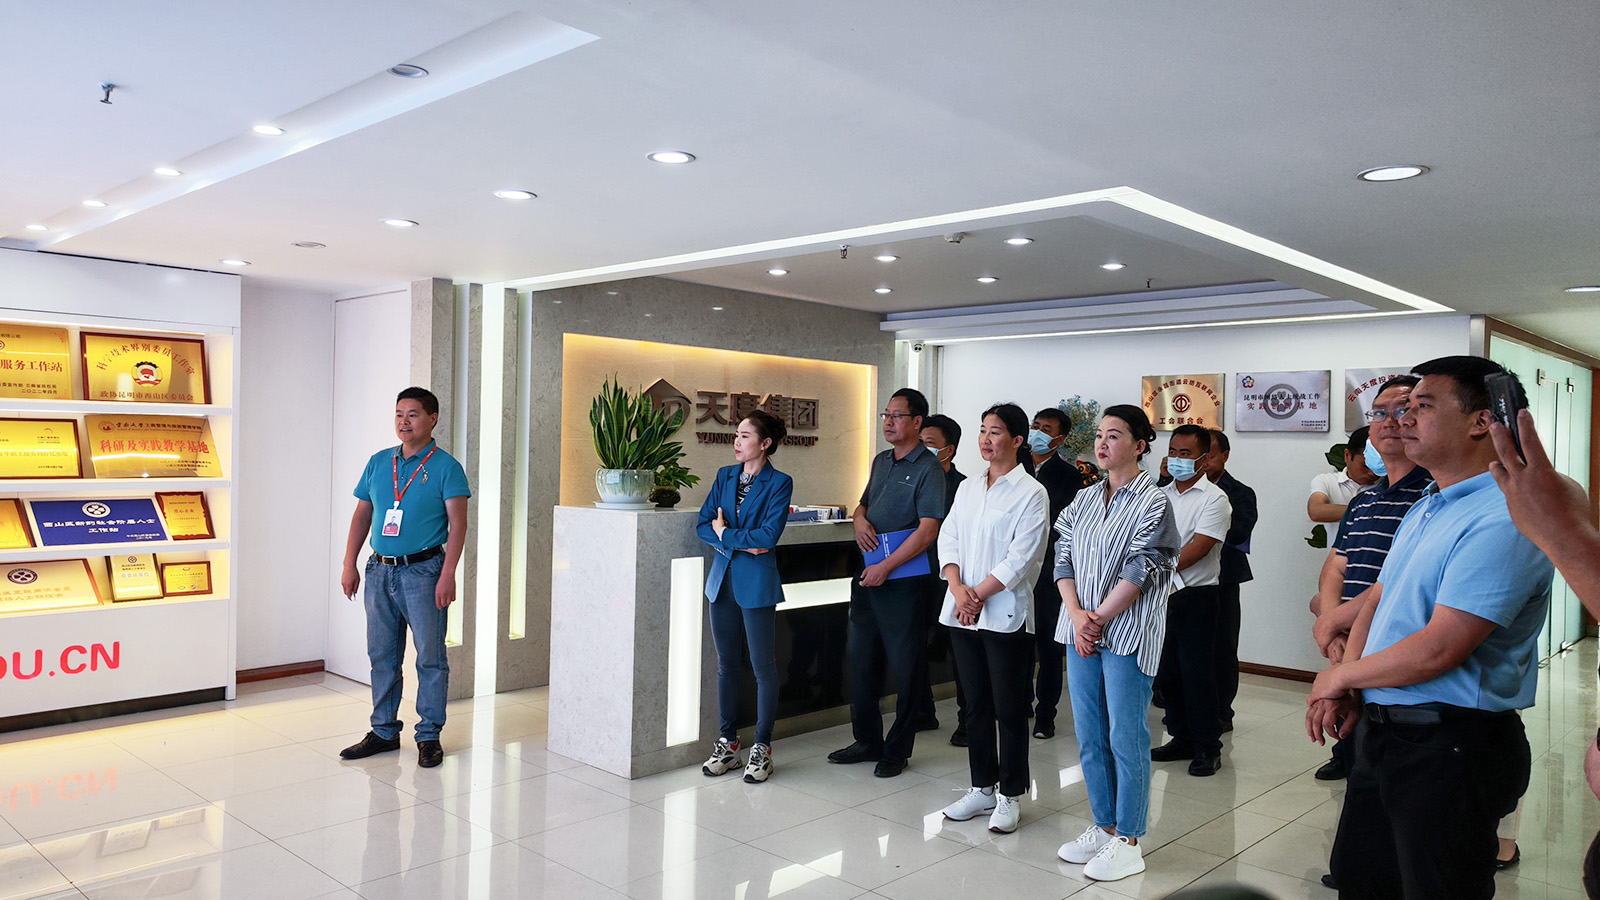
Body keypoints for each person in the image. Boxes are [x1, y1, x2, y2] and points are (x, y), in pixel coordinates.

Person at [1307, 356, 1553, 900]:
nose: (1404, 420)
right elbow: (1379, 597)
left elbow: (1441, 647)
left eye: (1422, 406)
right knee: (1362, 878)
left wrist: (1340, 677)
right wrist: (1352, 682)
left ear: (1481, 421)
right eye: (1400, 408)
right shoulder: (1429, 503)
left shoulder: (1508, 514)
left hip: (1451, 744)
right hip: (1386, 731)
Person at [1053, 405, 1178, 882]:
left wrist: (1099, 617)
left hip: (1127, 631)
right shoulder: (1083, 499)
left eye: (1114, 435)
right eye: (1100, 435)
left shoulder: (1154, 501)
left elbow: (1145, 566)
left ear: (1139, 445)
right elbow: (1062, 558)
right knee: (1090, 734)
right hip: (1079, 630)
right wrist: (1077, 614)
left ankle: (1129, 839)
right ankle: (1104, 825)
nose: (1102, 444)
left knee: (1126, 736)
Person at [339, 387, 470, 769]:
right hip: (379, 570)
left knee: (430, 658)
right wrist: (349, 564)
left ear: (432, 419)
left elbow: (459, 525)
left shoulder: (446, 467)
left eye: (413, 414)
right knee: (382, 655)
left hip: (424, 572)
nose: (404, 421)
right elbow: (362, 515)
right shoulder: (379, 462)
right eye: (399, 414)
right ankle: (383, 731)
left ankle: (428, 736)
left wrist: (448, 574)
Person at [935, 403, 1049, 834]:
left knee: (1010, 707)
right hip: (962, 612)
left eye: (995, 431)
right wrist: (957, 588)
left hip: (1004, 615)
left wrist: (977, 595)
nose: (986, 439)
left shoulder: (1031, 493)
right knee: (975, 705)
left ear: (1017, 441)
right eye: (983, 430)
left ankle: (1010, 795)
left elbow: (1022, 558)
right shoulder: (967, 487)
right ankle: (982, 788)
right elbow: (949, 538)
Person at [1307, 376, 1426, 784]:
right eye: (1379, 412)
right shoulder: (1364, 499)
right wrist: (1332, 629)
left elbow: (1397, 584)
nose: (1389, 421)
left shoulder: (1432, 495)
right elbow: (1335, 567)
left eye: (1403, 410)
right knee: (1361, 777)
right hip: (1350, 650)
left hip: (1397, 658)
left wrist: (1333, 622)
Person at [830, 388, 946, 778]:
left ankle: (897, 749)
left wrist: (886, 566)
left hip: (904, 581)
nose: (888, 422)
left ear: (917, 422)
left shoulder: (929, 468)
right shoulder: (881, 460)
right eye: (886, 415)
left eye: (897, 416)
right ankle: (867, 741)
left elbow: (927, 531)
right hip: (869, 575)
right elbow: (863, 504)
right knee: (861, 661)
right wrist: (859, 520)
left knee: (906, 667)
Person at [696, 410, 795, 783]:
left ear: (765, 443)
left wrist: (726, 535)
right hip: (721, 582)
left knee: (762, 667)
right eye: (736, 435)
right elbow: (703, 524)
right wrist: (739, 541)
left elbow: (768, 537)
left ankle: (762, 747)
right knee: (726, 665)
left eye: (744, 435)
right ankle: (728, 743)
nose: (736, 442)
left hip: (756, 585)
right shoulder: (724, 475)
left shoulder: (779, 482)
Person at [1151, 425, 1231, 776]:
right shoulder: (1157, 495)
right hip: (1158, 594)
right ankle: (1180, 737)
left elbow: (1198, 548)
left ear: (1204, 458)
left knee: (1197, 674)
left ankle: (1207, 747)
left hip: (1196, 597)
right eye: (1173, 452)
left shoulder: (1215, 498)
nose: (1177, 459)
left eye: (1186, 453)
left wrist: (1148, 567)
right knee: (1167, 672)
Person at [1027, 407, 1084, 739]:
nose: (1037, 432)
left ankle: (1045, 713)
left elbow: (1065, 528)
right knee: (1018, 642)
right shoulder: (1015, 465)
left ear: (1059, 439)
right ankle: (1019, 702)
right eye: (1035, 425)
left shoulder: (1069, 476)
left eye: (1046, 429)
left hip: (1049, 572)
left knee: (1049, 646)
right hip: (1015, 571)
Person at [919, 414, 970, 746]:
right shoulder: (912, 477)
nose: (922, 450)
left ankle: (968, 719)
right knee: (916, 648)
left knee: (959, 654)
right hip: (915, 575)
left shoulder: (965, 487)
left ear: (948, 450)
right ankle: (923, 711)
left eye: (929, 444)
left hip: (951, 580)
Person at [1202, 429, 1256, 733]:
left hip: (1224, 579)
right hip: (1184, 580)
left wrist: (1209, 513)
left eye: (1210, 454)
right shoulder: (1176, 488)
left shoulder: (1240, 492)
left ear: (1225, 456)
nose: (1204, 460)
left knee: (1222, 648)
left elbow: (1238, 533)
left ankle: (1222, 711)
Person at [1307, 427, 1380, 522]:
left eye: (1378, 467)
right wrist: (1368, 511)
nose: (1372, 473)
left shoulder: (1387, 486)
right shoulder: (1327, 481)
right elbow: (1316, 511)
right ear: (1347, 456)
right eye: (1365, 466)